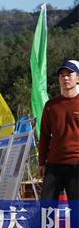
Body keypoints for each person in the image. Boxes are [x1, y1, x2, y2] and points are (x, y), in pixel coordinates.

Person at [39, 59, 79, 201]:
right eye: (62, 75)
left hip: (76, 164)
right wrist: (41, 162)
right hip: (54, 164)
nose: (65, 78)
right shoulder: (51, 106)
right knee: (46, 208)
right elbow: (44, 135)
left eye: (69, 74)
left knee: (76, 210)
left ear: (78, 78)